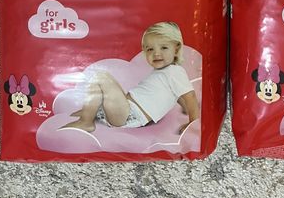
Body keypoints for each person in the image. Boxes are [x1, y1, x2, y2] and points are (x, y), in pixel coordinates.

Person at [61, 21, 199, 134]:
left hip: (130, 115)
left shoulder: (175, 71)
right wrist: (185, 108)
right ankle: (92, 111)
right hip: (126, 109)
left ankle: (86, 121)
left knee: (101, 77)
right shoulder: (166, 73)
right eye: (150, 49)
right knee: (106, 89)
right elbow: (178, 93)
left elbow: (190, 96)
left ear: (176, 48)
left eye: (164, 48)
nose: (156, 54)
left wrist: (193, 122)